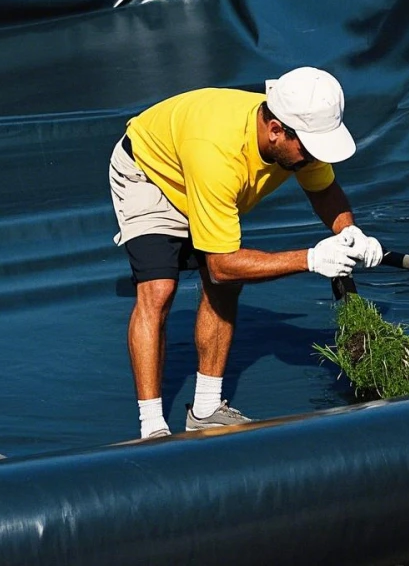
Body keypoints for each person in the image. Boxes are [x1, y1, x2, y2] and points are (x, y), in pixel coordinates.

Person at [108, 66, 383, 439]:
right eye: (308, 148)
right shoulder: (217, 153)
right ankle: (152, 427)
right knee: (159, 290)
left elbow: (323, 190)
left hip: (203, 177)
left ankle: (206, 409)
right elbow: (222, 266)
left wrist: (348, 230)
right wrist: (312, 259)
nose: (312, 158)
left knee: (225, 286)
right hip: (150, 173)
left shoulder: (298, 139)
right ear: (275, 131)